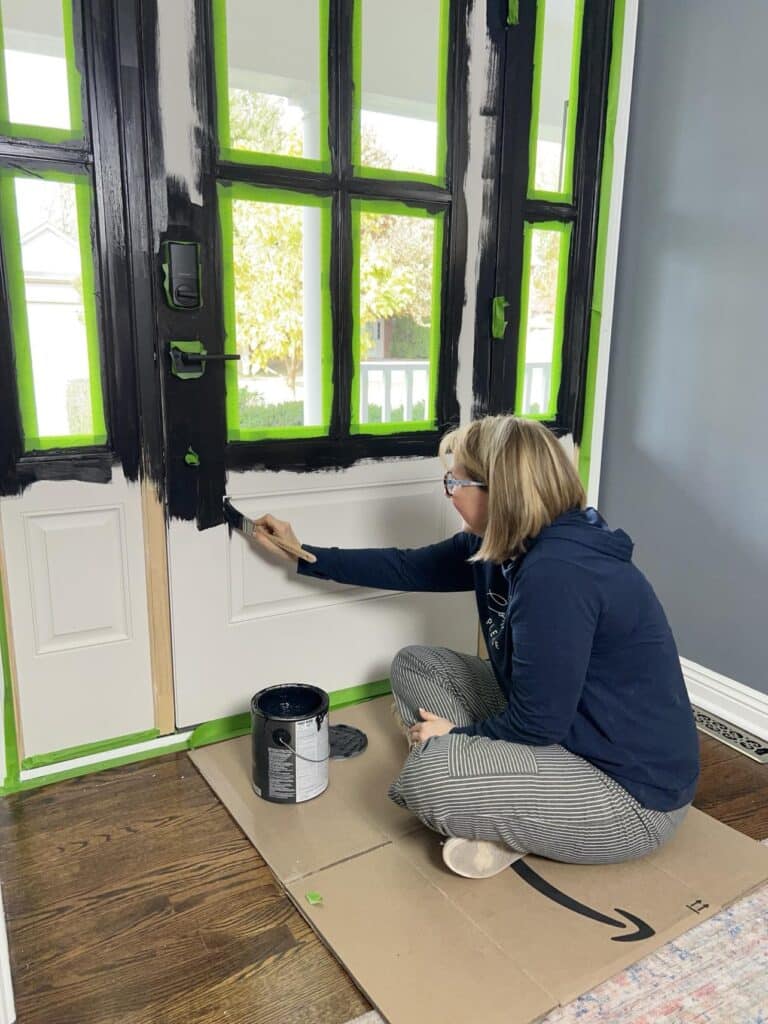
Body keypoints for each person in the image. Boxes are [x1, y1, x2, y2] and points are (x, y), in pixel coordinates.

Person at [251, 415, 700, 880]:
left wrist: (455, 739)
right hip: (566, 734)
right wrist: (301, 552)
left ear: (500, 491)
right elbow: (407, 568)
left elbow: (538, 722)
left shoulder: (559, 573)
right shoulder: (501, 546)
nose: (448, 492)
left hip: (628, 795)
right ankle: (497, 799)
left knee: (431, 777)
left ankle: (486, 795)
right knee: (414, 665)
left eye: (456, 480)